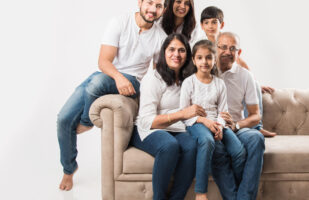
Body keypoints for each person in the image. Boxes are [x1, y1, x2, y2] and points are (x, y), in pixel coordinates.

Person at [56, 0, 167, 191]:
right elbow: (103, 61)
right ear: (140, 2)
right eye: (150, 3)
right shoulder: (120, 22)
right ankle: (69, 168)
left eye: (159, 6)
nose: (153, 10)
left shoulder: (160, 37)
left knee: (97, 83)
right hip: (107, 74)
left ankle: (87, 121)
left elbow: (157, 74)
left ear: (163, 9)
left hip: (134, 81)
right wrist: (118, 78)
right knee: (63, 119)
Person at [130, 33, 202, 200]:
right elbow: (147, 120)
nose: (176, 54)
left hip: (178, 128)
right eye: (171, 49)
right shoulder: (153, 78)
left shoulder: (190, 79)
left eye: (182, 50)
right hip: (148, 129)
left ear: (188, 55)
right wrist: (182, 114)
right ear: (163, 52)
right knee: (169, 146)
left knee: (192, 146)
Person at [179, 40, 246, 200]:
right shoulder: (189, 83)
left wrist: (219, 126)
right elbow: (184, 113)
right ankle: (201, 192)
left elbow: (223, 111)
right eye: (200, 58)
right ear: (194, 60)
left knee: (238, 151)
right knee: (208, 141)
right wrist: (204, 122)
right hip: (196, 123)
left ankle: (239, 190)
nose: (204, 62)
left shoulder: (219, 83)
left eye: (208, 58)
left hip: (216, 123)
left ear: (214, 59)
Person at [200, 6, 276, 137]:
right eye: (206, 22)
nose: (210, 26)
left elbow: (239, 62)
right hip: (213, 79)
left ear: (221, 25)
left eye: (214, 22)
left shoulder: (226, 40)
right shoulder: (202, 44)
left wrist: (252, 81)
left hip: (230, 78)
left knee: (254, 84)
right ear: (201, 26)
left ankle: (256, 127)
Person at [211, 32, 265, 200]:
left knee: (256, 139)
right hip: (214, 128)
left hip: (237, 127)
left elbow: (256, 115)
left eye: (233, 48)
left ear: (239, 53)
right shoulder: (206, 71)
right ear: (215, 48)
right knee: (218, 148)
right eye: (223, 47)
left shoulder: (245, 75)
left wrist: (236, 125)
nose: (228, 52)